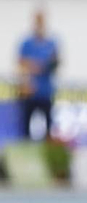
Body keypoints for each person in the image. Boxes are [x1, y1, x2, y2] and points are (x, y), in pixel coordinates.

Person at [16, 10, 59, 141]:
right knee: (25, 129)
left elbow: (54, 63)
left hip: (45, 92)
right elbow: (21, 64)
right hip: (30, 92)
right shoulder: (26, 43)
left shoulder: (51, 43)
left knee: (48, 128)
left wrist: (37, 66)